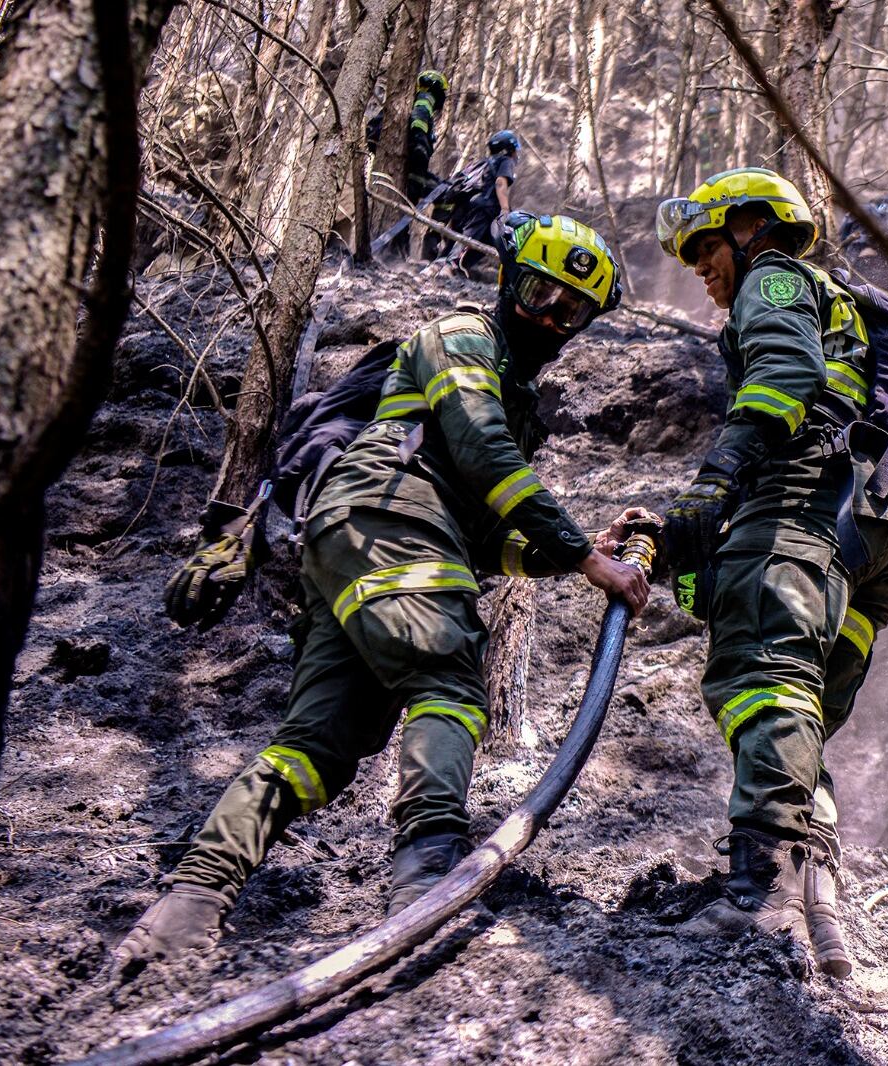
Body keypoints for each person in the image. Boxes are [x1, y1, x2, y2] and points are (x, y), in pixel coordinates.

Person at [117, 213, 648, 971]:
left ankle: (189, 903)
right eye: (538, 293)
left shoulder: (512, 391)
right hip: (386, 516)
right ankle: (426, 873)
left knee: (319, 749)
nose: (549, 319)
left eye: (572, 312)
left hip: (368, 547)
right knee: (450, 685)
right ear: (506, 279)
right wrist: (580, 553)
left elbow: (483, 540)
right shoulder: (463, 336)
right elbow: (476, 444)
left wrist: (570, 558)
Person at [652, 168, 888, 974]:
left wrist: (715, 479)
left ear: (751, 228)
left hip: (805, 505)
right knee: (799, 714)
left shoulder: (774, 277)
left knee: (762, 680)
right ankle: (820, 906)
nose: (699, 266)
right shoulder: (836, 299)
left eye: (706, 246)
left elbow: (784, 376)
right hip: (876, 538)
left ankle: (758, 898)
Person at [425, 129, 520, 276]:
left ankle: (436, 267)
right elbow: (500, 183)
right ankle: (449, 267)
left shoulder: (483, 162)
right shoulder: (505, 161)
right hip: (483, 208)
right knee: (467, 239)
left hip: (464, 205)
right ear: (508, 150)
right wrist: (505, 209)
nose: (516, 154)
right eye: (514, 150)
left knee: (463, 239)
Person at [402, 69, 449, 203]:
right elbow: (418, 120)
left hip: (414, 166)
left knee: (442, 188)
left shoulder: (419, 100)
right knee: (445, 192)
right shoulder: (425, 99)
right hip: (414, 166)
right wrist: (420, 146)